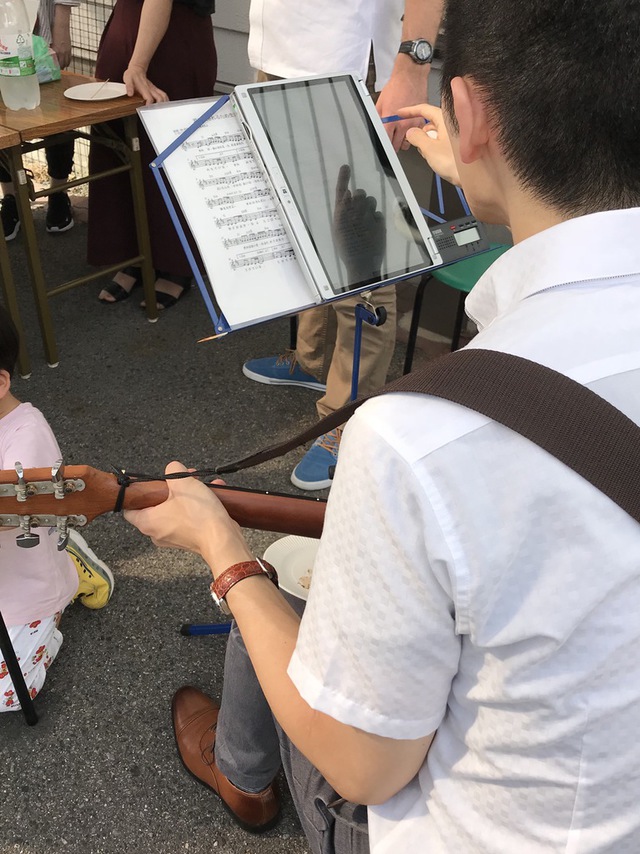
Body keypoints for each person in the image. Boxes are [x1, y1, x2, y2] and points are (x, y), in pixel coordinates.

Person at [126, 0, 640, 850]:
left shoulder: (416, 439)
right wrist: (487, 168)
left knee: (289, 576)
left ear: (468, 114)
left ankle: (243, 768)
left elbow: (366, 769)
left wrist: (222, 553)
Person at [241, 0, 444, 490]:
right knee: (307, 227)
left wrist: (412, 64)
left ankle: (345, 417)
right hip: (280, 53)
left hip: (349, 65)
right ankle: (311, 359)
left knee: (359, 255)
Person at [0, 305, 114, 711]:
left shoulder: (25, 440)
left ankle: (71, 569)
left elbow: (9, 518)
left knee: (7, 694)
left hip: (24, 587)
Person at [87, 0, 216, 310]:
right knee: (116, 142)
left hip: (173, 32)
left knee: (168, 150)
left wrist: (138, 65)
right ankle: (131, 255)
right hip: (126, 24)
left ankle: (176, 263)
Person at [0, 0, 79, 240]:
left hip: (39, 29)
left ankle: (58, 191)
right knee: (2, 119)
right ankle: (12, 197)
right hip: (4, 32)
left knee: (56, 111)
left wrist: (62, 27)